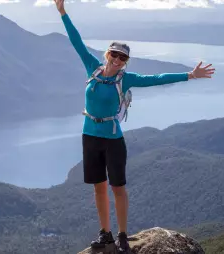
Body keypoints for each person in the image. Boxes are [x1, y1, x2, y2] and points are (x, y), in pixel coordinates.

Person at [53, 0, 215, 252]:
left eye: (123, 57)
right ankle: (105, 234)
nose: (118, 59)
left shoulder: (126, 79)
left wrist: (189, 75)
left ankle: (123, 235)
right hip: (89, 135)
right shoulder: (92, 68)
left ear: (126, 61)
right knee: (98, 187)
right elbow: (76, 41)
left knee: (117, 187)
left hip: (113, 139)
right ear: (108, 54)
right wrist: (62, 12)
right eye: (115, 54)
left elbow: (156, 79)